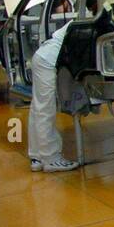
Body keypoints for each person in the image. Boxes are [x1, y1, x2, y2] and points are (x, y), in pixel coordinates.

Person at [25, 13, 80, 173]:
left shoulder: (79, 19)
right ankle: (51, 159)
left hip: (43, 56)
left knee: (38, 108)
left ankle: (36, 156)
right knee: (45, 109)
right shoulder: (87, 23)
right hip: (48, 60)